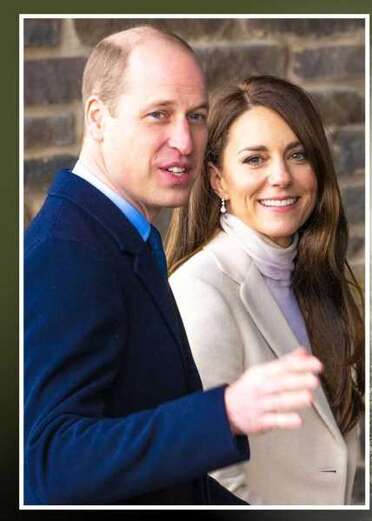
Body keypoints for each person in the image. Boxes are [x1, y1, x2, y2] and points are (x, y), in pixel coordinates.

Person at [24, 27, 323, 505]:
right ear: (98, 118)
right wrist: (223, 412)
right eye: (158, 115)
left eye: (196, 116)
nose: (184, 141)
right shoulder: (67, 251)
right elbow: (46, 465)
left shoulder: (128, 236)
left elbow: (169, 482)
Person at [166, 75, 365, 505]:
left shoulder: (316, 278)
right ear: (218, 179)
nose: (281, 177)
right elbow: (210, 477)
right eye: (255, 159)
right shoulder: (201, 291)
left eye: (297, 155)